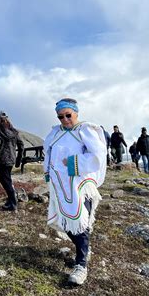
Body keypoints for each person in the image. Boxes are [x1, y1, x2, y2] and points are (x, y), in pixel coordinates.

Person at [43, 98, 106, 285]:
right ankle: (84, 249)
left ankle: (81, 265)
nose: (65, 119)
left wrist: (73, 163)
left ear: (76, 113)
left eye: (68, 115)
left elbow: (98, 155)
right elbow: (48, 152)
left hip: (80, 184)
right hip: (59, 185)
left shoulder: (84, 130)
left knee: (80, 222)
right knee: (65, 221)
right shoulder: (55, 133)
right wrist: (48, 172)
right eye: (60, 116)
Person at [0, 110, 24, 211]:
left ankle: (13, 203)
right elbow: (21, 144)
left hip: (3, 160)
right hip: (12, 159)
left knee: (3, 178)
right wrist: (19, 159)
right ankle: (10, 200)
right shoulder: (14, 131)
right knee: (7, 179)